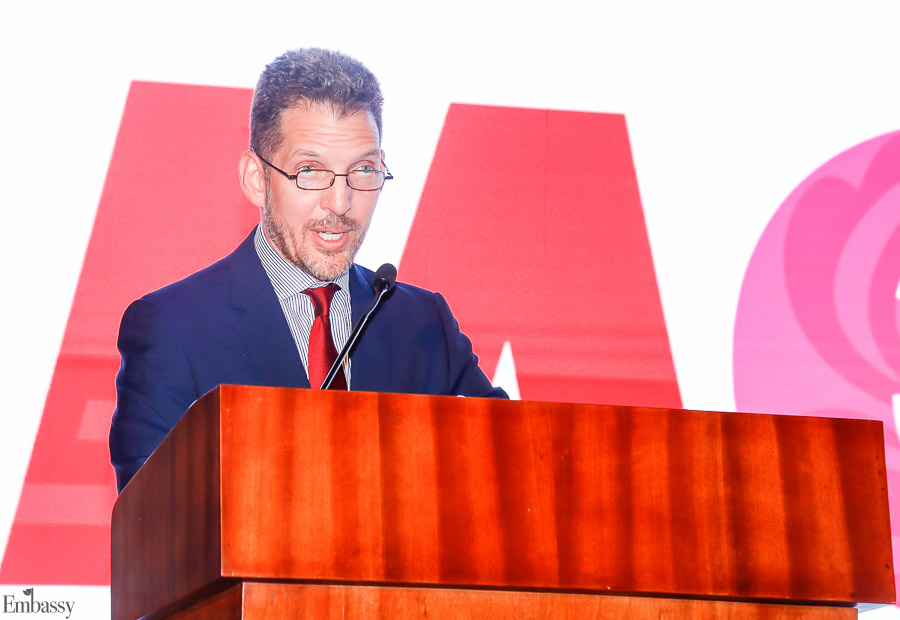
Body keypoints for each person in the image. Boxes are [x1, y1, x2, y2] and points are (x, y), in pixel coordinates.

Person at [109, 48, 507, 493]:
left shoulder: (422, 323)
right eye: (310, 171)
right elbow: (152, 517)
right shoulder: (173, 328)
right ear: (257, 179)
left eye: (363, 169)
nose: (340, 203)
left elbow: (510, 467)